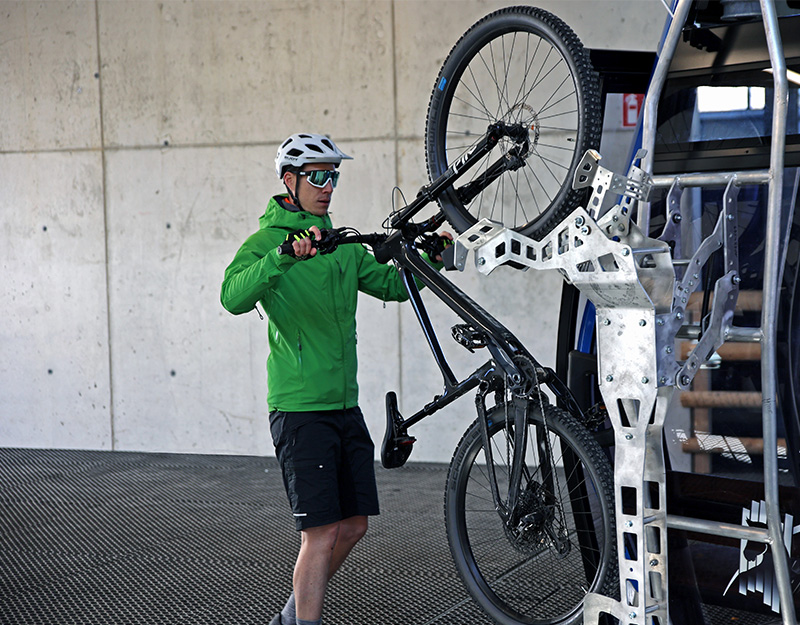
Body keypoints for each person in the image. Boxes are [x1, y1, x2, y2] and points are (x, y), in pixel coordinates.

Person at [220, 132, 449, 625]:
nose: (328, 186)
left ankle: (291, 613)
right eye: (317, 176)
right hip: (300, 411)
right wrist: (282, 256)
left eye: (334, 176)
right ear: (290, 180)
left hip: (345, 405)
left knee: (355, 525)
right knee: (319, 533)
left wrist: (433, 257)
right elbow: (232, 296)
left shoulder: (340, 246)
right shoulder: (265, 244)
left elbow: (390, 285)